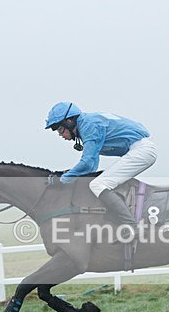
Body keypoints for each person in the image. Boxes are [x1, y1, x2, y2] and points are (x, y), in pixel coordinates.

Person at [45, 102, 156, 240]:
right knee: (100, 181)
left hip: (141, 150)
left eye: (60, 130)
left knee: (98, 184)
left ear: (69, 121)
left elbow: (88, 163)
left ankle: (132, 226)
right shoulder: (88, 122)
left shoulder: (88, 126)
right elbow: (91, 166)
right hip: (139, 148)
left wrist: (63, 179)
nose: (60, 135)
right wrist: (68, 173)